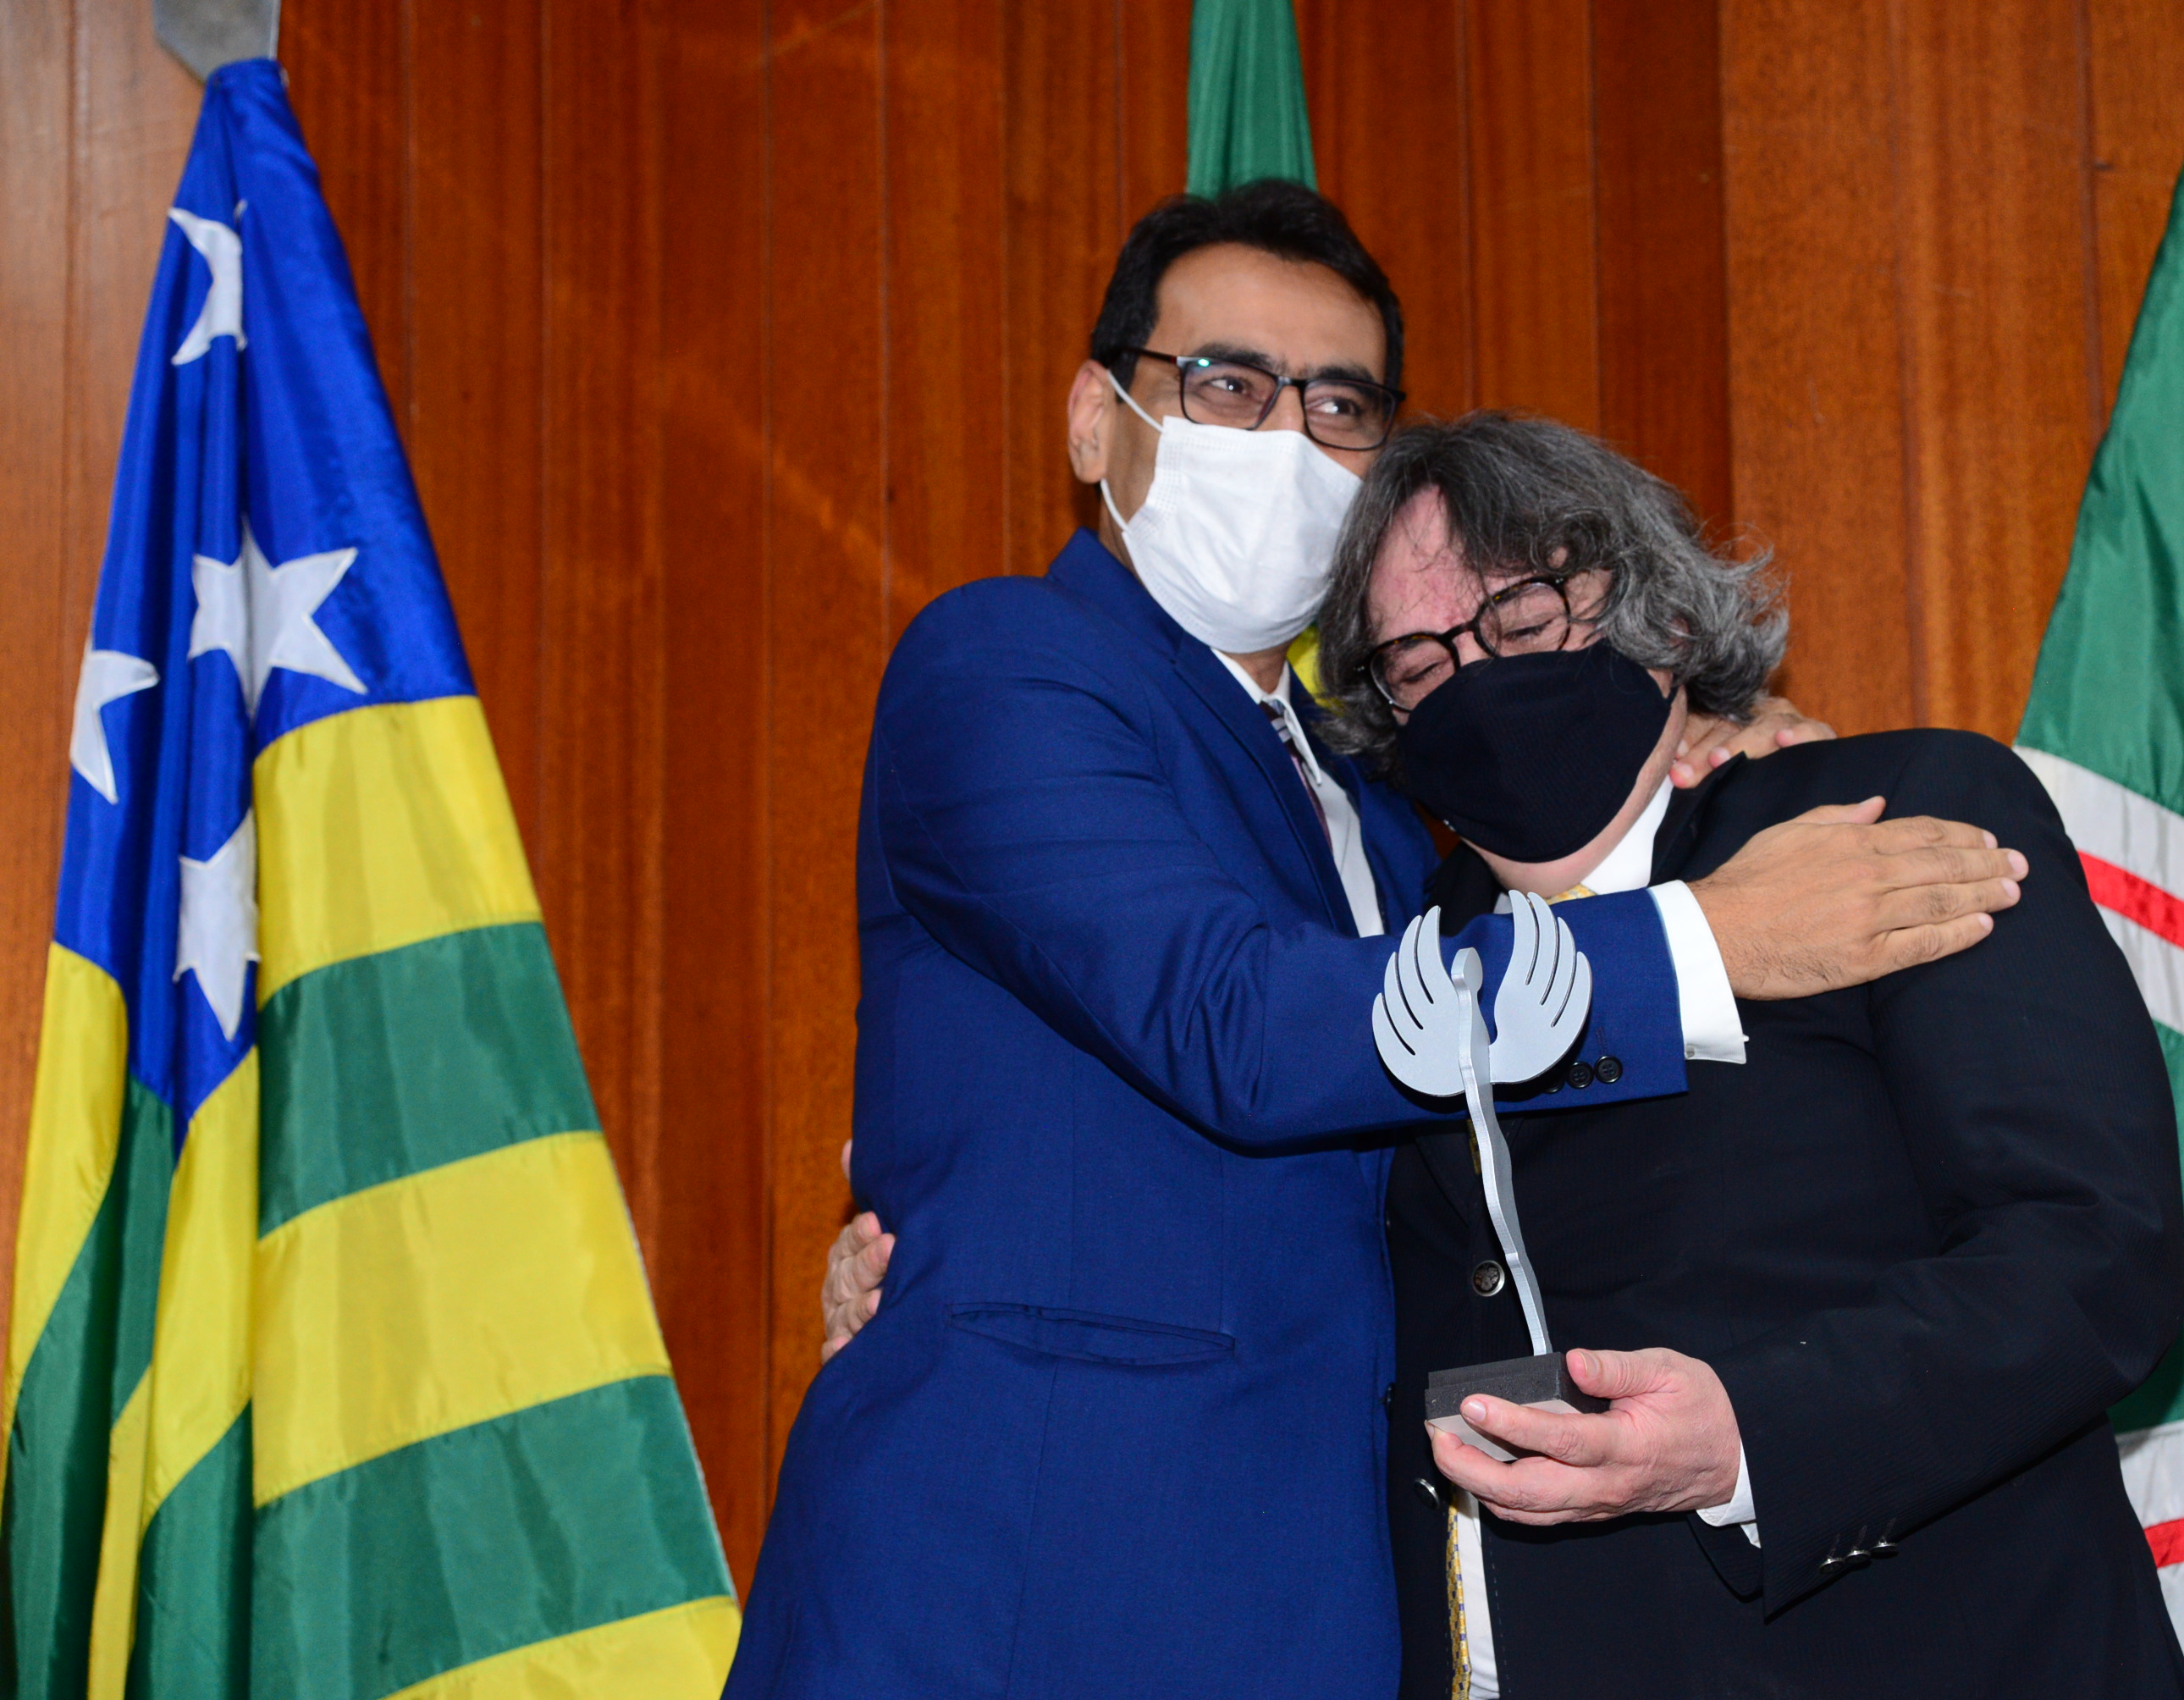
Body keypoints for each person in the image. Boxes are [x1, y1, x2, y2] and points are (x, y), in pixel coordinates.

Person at [731, 184, 2030, 1699]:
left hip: (1318, 1597)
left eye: (1338, 405)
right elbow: (1232, 1022)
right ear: (1096, 420)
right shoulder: (1006, 662)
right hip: (1024, 1583)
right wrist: (1705, 938)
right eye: (1227, 383)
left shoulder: (1381, 802)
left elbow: (1459, 1128)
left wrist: (1680, 762)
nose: (1285, 437)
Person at [1313, 413, 2184, 1697]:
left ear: (1663, 622)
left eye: (1525, 622)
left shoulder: (1887, 824)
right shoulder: (1390, 964)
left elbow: (2092, 1251)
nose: (1477, 681)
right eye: (1418, 660)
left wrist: (1753, 1436)